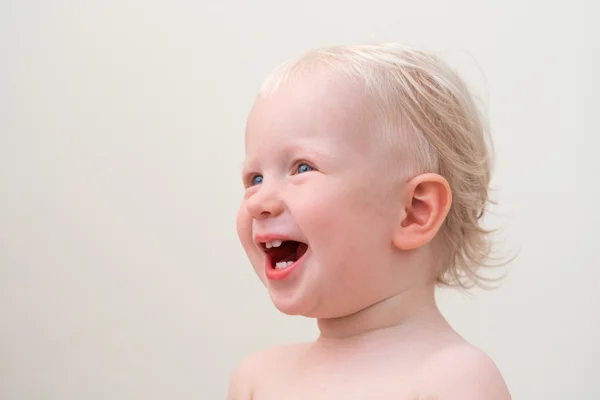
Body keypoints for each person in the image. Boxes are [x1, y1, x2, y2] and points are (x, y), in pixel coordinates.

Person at [229, 42, 511, 400]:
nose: (259, 202)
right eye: (254, 178)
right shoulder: (256, 381)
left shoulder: (452, 380)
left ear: (414, 212)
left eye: (302, 167)